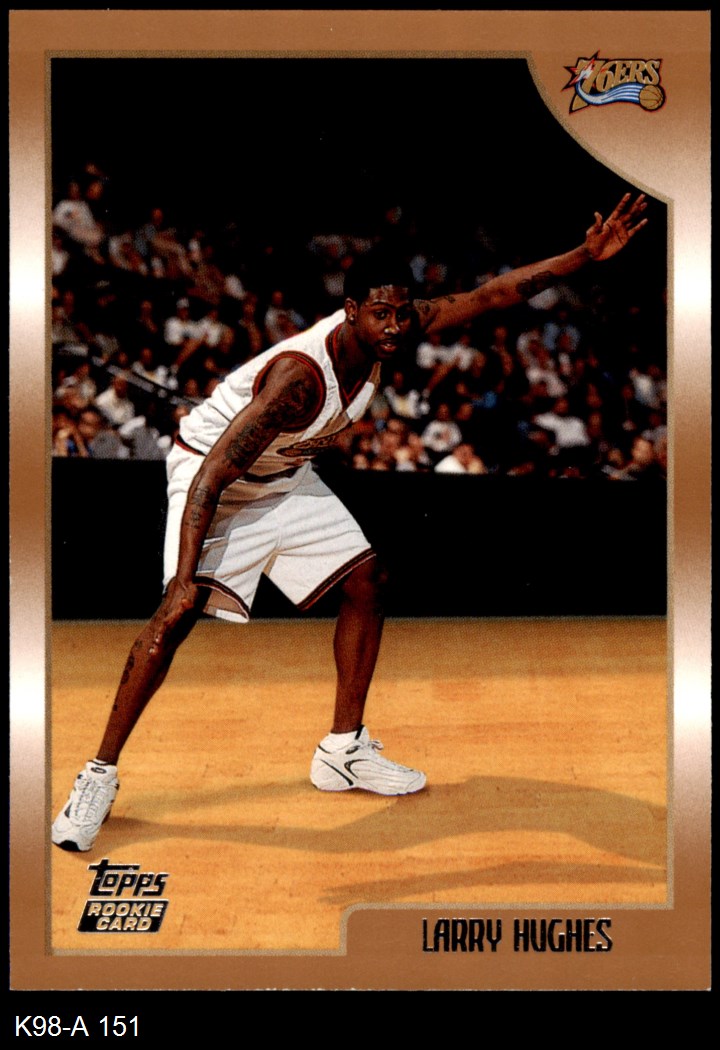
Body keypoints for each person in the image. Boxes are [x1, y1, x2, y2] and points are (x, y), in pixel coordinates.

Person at [52, 193, 648, 851]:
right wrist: (184, 577)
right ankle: (97, 776)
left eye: (402, 313)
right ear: (351, 311)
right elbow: (214, 473)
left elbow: (491, 295)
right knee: (176, 615)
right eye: (381, 314)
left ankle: (342, 751)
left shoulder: (393, 330)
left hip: (283, 475)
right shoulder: (299, 380)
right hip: (210, 477)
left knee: (368, 579)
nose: (395, 327)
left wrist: (584, 255)